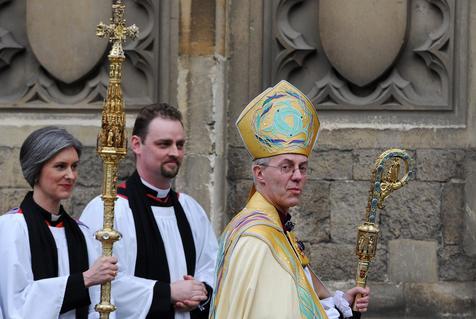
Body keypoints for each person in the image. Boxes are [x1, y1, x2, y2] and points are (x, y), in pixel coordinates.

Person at [210, 80, 370, 319]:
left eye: (302, 168)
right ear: (259, 173)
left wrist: (337, 306)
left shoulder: (278, 227)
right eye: (286, 167)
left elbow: (295, 301)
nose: (297, 176)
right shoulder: (256, 240)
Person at [80, 103, 218, 319]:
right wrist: (168, 293)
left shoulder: (191, 210)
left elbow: (211, 267)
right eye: (164, 144)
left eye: (180, 145)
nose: (175, 153)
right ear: (136, 144)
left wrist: (199, 292)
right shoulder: (108, 209)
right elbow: (101, 285)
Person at [0, 126, 118, 318]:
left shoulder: (82, 233)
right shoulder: (11, 228)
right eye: (60, 166)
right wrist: (84, 279)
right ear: (36, 170)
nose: (71, 176)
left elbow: (100, 301)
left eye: (74, 166)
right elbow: (16, 305)